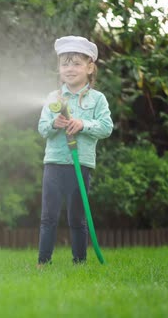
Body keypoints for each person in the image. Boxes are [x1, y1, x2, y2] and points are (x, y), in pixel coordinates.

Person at [37, 36, 113, 267]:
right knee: (48, 217)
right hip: (54, 163)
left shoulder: (97, 99)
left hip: (81, 166)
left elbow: (106, 127)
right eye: (65, 63)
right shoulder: (54, 98)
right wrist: (54, 124)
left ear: (90, 67)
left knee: (77, 218)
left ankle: (79, 262)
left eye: (76, 63)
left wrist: (83, 124)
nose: (70, 69)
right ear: (59, 68)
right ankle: (43, 262)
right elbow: (42, 128)